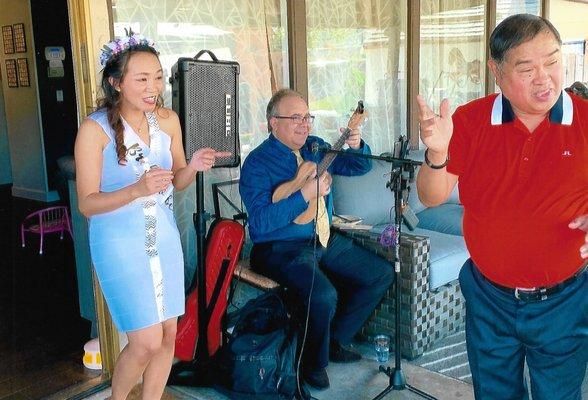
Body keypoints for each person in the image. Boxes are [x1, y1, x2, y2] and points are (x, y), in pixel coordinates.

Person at [416, 14, 588, 400]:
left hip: (565, 299)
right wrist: (437, 151)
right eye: (526, 68)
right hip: (489, 297)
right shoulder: (471, 120)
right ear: (497, 72)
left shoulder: (585, 120)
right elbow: (431, 195)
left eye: (553, 61)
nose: (544, 78)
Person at [74, 33, 229, 399]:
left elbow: (177, 181)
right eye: (141, 79)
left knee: (168, 336)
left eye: (157, 77)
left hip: (162, 236)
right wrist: (136, 190)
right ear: (116, 82)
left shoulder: (168, 121)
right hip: (118, 242)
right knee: (144, 342)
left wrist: (192, 166)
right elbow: (86, 204)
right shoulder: (94, 130)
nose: (153, 87)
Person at [239, 88, 394, 390]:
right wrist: (304, 195)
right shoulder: (257, 164)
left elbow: (359, 166)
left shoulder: (316, 147)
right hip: (279, 248)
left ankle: (334, 340)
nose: (304, 124)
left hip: (322, 238)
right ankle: (313, 363)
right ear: (273, 122)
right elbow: (259, 223)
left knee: (380, 274)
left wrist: (356, 143)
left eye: (307, 117)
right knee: (322, 294)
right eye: (295, 118)